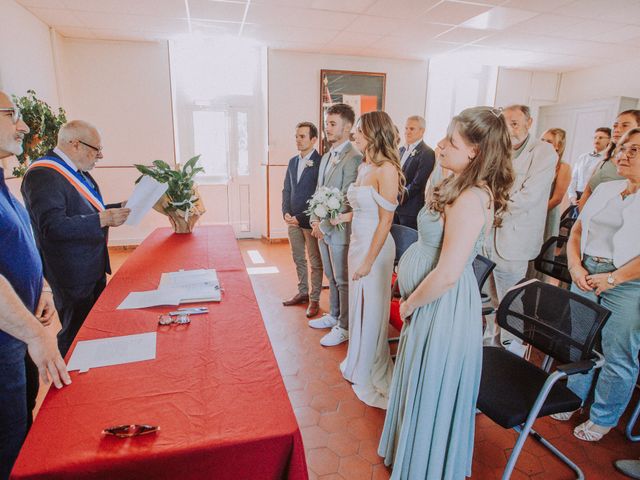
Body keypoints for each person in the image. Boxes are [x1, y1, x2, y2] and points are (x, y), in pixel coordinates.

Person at [379, 106, 514, 479]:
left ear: (475, 152)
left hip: (442, 306)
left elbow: (449, 273)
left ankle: (425, 466)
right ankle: (409, 454)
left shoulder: (471, 199)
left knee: (431, 389)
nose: (439, 145)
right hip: (429, 302)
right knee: (417, 383)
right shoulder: (456, 183)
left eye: (450, 141)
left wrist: (408, 305)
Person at [553, 128, 640, 442]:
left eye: (635, 150)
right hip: (586, 273)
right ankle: (573, 398)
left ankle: (603, 416)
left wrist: (614, 278)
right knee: (581, 342)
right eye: (623, 148)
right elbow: (577, 229)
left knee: (619, 353)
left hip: (628, 283)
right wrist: (575, 265)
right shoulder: (607, 188)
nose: (624, 154)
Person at [0, 91, 71, 479]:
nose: (23, 126)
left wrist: (42, 289)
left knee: (22, 428)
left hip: (20, 332)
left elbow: (19, 245)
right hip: (9, 338)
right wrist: (33, 333)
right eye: (12, 115)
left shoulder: (2, 183)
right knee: (8, 444)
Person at [21, 120, 130, 357]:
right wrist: (103, 219)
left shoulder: (76, 173)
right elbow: (53, 227)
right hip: (71, 272)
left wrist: (117, 209)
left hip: (91, 266)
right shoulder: (44, 175)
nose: (99, 156)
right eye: (96, 149)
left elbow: (87, 212)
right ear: (75, 144)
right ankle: (71, 383)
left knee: (94, 327)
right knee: (76, 332)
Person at [330, 111, 402, 408]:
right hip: (358, 242)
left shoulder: (387, 170)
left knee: (372, 308)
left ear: (374, 134)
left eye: (359, 131)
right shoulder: (365, 166)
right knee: (358, 305)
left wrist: (369, 262)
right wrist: (341, 216)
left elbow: (385, 221)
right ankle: (357, 361)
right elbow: (363, 209)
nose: (354, 135)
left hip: (377, 248)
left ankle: (370, 368)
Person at [484, 104, 556, 349]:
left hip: (514, 239)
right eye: (505, 123)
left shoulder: (544, 152)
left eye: (514, 123)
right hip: (489, 236)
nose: (509, 128)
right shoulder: (498, 147)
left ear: (529, 122)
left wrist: (488, 207)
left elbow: (530, 197)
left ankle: (512, 351)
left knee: (511, 302)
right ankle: (492, 348)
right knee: (492, 299)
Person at [308, 104, 362, 347]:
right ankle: (334, 314)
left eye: (332, 124)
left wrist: (325, 226)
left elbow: (346, 199)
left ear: (348, 127)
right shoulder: (327, 156)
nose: (327, 128)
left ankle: (345, 326)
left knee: (342, 279)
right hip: (323, 227)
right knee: (330, 275)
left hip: (339, 229)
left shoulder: (355, 157)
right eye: (326, 123)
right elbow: (319, 192)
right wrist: (314, 220)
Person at [281, 122, 323, 318]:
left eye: (302, 136)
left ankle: (314, 299)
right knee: (298, 258)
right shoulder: (292, 162)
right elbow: (287, 189)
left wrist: (301, 217)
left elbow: (319, 196)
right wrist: (286, 213)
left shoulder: (320, 162)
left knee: (315, 261)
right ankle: (303, 291)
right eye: (296, 136)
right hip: (292, 222)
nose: (298, 140)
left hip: (309, 222)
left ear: (313, 139)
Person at [579, 110, 640, 210]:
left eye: (625, 125)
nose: (617, 129)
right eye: (615, 126)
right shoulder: (604, 160)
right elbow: (587, 193)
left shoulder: (633, 168)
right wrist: (583, 220)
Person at [394, 115, 435, 230]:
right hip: (394, 207)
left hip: (410, 209)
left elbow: (418, 183)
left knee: (406, 243)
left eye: (412, 129)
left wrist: (399, 197)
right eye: (406, 128)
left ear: (422, 131)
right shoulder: (400, 150)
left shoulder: (427, 153)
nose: (407, 132)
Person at [540, 128, 571, 241]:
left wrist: (537, 212)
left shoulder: (563, 167)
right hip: (529, 210)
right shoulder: (536, 163)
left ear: (558, 146)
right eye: (542, 140)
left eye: (548, 142)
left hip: (546, 212)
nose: (543, 144)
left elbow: (557, 199)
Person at [567, 127, 611, 204]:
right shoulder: (582, 157)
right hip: (576, 197)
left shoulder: (609, 160)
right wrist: (572, 196)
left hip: (594, 197)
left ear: (609, 140)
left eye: (600, 138)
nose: (596, 140)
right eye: (595, 137)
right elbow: (573, 178)